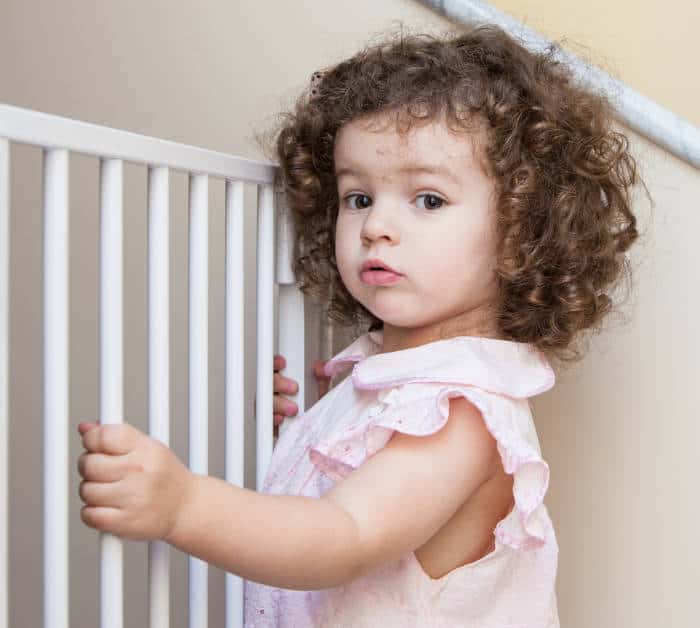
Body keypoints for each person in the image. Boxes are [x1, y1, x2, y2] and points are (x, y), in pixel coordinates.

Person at [76, 23, 641, 627]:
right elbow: (337, 499)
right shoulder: (384, 382)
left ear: (520, 235)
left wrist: (183, 506)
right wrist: (286, 440)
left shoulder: (463, 414)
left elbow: (342, 535)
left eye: (427, 200)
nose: (376, 227)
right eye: (358, 198)